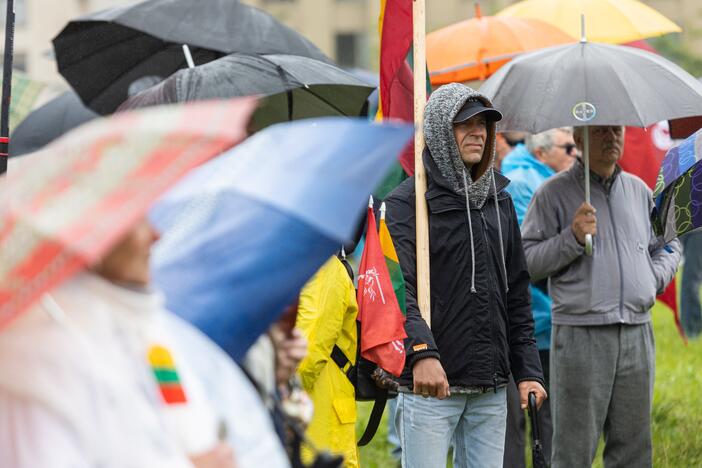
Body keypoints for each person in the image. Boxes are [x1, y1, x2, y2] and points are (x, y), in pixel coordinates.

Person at [0, 219, 290, 468]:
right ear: (90, 234)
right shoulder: (37, 357)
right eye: (137, 222)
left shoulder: (151, 331)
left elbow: (183, 430)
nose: (156, 234)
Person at [384, 83, 546, 468]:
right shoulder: (406, 203)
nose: (478, 131)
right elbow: (396, 290)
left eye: (485, 123)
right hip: (429, 385)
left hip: (490, 385)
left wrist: (527, 370)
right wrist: (421, 352)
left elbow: (517, 292)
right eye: (465, 123)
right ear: (441, 130)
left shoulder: (499, 199)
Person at [521, 125, 682, 468]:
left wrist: (649, 277)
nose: (612, 137)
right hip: (582, 333)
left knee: (634, 449)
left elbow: (670, 245)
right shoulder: (552, 194)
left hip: (637, 332)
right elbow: (527, 262)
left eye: (617, 129)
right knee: (574, 450)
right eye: (600, 130)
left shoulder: (639, 191)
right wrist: (573, 238)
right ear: (578, 140)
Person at [500, 127, 576, 467]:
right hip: (530, 321)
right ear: (543, 152)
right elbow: (523, 258)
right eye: (569, 147)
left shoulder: (546, 177)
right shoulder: (523, 182)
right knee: (519, 420)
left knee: (547, 417)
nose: (576, 153)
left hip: (543, 319)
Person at [296, 254, 360, 467]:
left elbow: (307, 354)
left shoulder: (322, 266)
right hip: (306, 414)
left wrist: (271, 393)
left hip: (319, 419)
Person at [681, 230, 702, 339]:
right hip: (690, 230)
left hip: (697, 230)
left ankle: (693, 329)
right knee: (690, 282)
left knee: (690, 282)